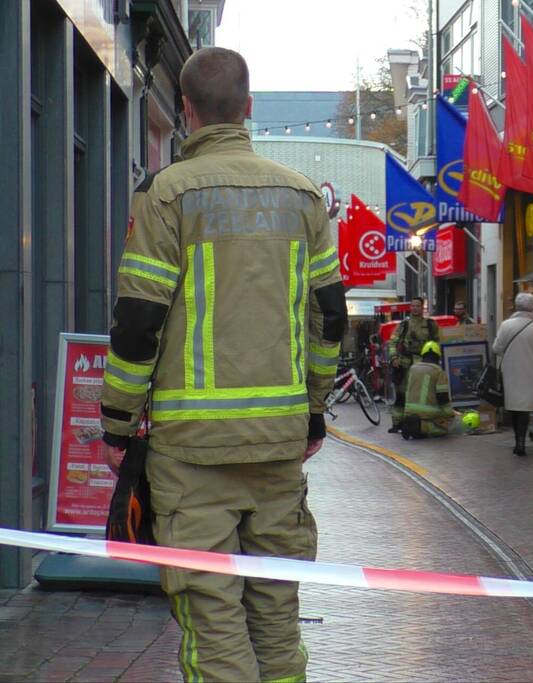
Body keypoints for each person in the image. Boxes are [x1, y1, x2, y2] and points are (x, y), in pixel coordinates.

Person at [99, 47, 346, 682]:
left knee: (212, 621)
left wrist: (117, 427)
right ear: (250, 108)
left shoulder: (165, 196)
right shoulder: (302, 198)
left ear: (185, 111)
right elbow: (330, 319)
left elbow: (137, 323)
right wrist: (313, 414)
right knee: (275, 614)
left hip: (192, 453)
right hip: (278, 446)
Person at [493, 292, 533, 456]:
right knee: (524, 408)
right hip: (529, 372)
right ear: (532, 307)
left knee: (513, 406)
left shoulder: (506, 325)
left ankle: (517, 441)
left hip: (510, 372)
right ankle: (521, 442)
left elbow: (496, 349)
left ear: (516, 306)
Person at [400, 341, 478, 438]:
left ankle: (413, 424)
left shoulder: (413, 368)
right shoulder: (438, 371)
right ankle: (420, 427)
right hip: (429, 413)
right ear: (438, 357)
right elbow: (442, 397)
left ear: (423, 355)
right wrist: (451, 414)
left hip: (409, 411)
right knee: (443, 431)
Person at [387, 297, 439, 433]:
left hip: (424, 364)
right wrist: (394, 358)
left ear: (422, 308)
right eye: (413, 306)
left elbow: (437, 344)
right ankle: (397, 423)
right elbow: (392, 342)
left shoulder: (430, 325)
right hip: (405, 364)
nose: (415, 308)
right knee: (401, 394)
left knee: (421, 395)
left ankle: (418, 423)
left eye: (418, 306)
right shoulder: (404, 325)